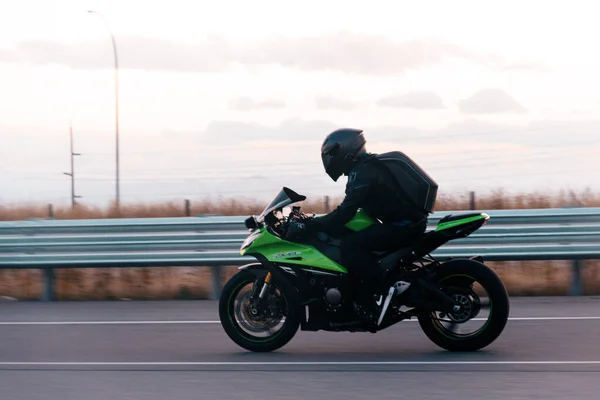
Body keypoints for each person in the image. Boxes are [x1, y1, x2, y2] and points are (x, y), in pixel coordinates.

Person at [287, 128, 429, 324]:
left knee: (350, 246)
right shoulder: (364, 168)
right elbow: (348, 213)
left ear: (345, 150)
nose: (330, 160)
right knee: (349, 238)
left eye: (332, 155)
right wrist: (318, 222)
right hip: (404, 224)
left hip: (402, 227)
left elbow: (346, 212)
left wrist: (311, 225)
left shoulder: (362, 173)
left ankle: (378, 292)